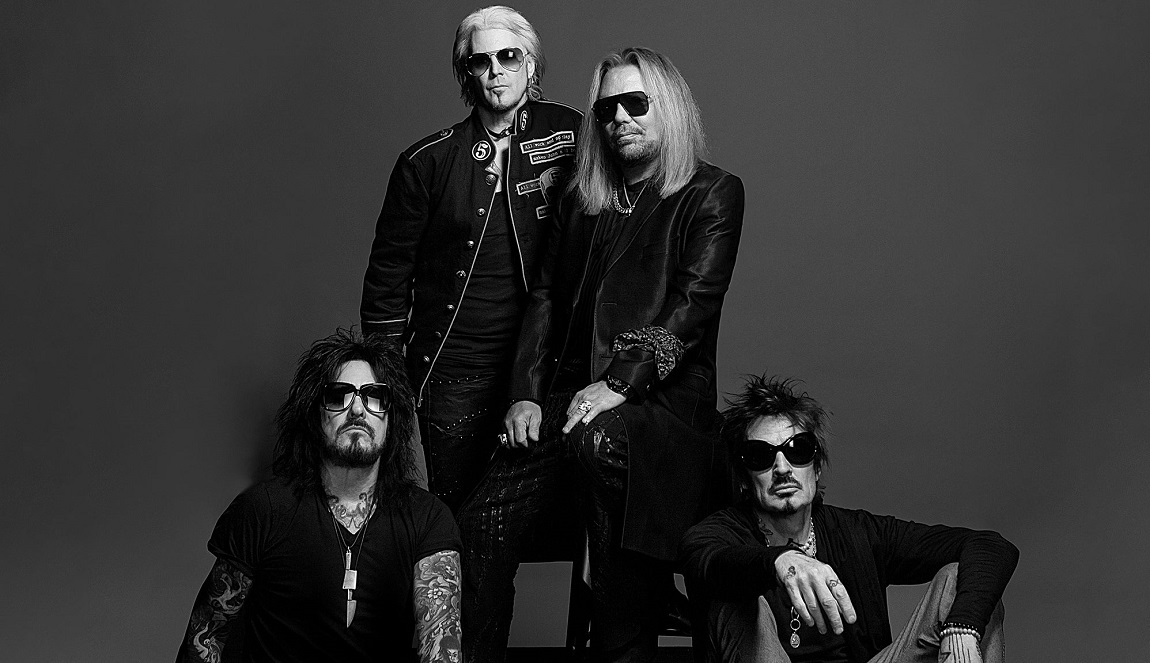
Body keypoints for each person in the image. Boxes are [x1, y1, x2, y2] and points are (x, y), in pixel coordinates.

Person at [501, 46, 744, 662]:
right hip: (568, 397)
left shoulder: (712, 193)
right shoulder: (581, 198)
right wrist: (525, 393)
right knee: (479, 523)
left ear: (669, 107)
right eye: (606, 109)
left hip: (663, 408)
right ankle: (641, 597)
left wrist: (618, 384)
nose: (619, 119)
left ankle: (626, 619)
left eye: (635, 103)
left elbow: (691, 307)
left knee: (598, 439)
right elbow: (545, 297)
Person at [360, 5, 581, 517]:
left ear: (531, 63)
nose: (496, 70)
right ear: (467, 73)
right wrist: (389, 380)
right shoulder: (427, 162)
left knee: (550, 520)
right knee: (457, 517)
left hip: (549, 366)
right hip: (456, 372)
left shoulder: (572, 134)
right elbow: (387, 280)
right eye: (481, 61)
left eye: (509, 56)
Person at [678, 375, 1019, 663]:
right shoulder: (717, 534)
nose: (782, 468)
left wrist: (963, 626)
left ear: (816, 467)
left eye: (798, 450)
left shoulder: (858, 533)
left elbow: (991, 547)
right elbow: (708, 562)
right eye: (761, 456)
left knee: (964, 581)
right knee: (735, 597)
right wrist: (783, 562)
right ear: (743, 478)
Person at [177, 330, 462, 663]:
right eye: (339, 395)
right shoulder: (263, 511)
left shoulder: (428, 519)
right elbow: (205, 637)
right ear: (315, 415)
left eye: (374, 396)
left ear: (391, 417)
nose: (357, 410)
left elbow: (442, 646)